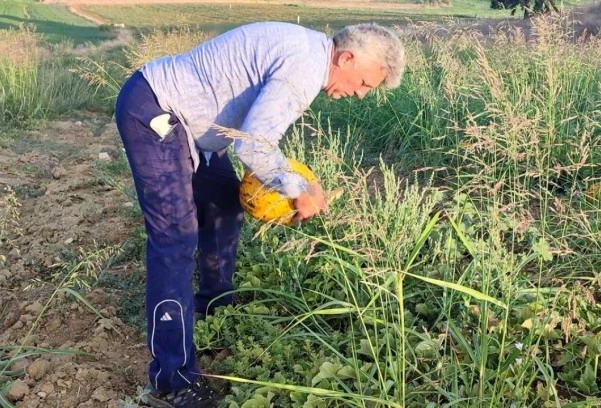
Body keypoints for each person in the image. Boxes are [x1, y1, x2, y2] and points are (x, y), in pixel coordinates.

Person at [114, 21, 405, 408]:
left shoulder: (309, 52)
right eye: (365, 84)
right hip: (158, 112)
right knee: (174, 240)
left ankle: (213, 305)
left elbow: (249, 139)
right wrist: (298, 191)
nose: (361, 95)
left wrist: (289, 185)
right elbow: (254, 147)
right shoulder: (304, 68)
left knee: (223, 206)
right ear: (347, 58)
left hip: (199, 128)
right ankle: (172, 381)